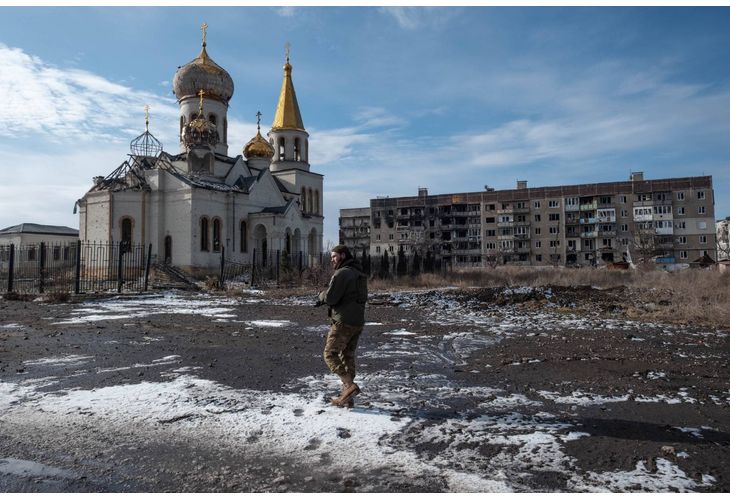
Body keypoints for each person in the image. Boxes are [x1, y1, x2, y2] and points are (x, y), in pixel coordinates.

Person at [316, 244, 368, 407]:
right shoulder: (359, 273)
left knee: (330, 354)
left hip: (343, 322)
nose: (332, 259)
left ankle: (349, 386)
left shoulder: (342, 273)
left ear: (343, 256)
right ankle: (348, 398)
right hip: (357, 322)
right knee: (347, 356)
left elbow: (331, 297)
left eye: (334, 256)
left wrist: (321, 296)